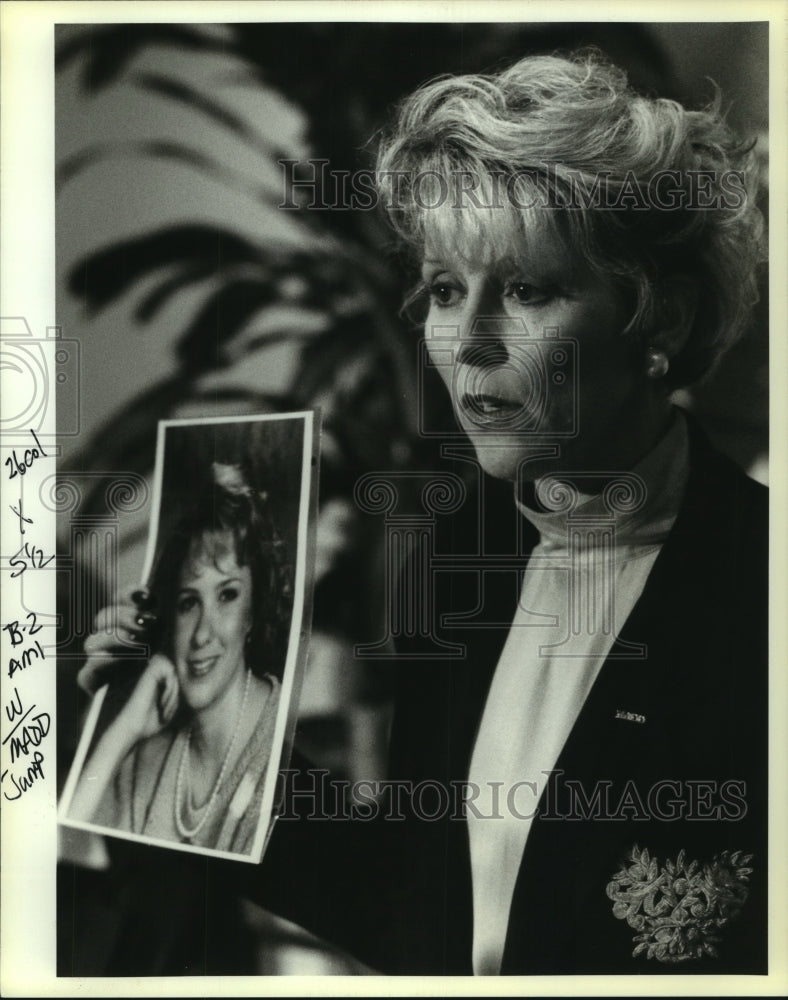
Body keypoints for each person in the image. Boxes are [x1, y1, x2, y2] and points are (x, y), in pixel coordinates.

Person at [76, 50, 768, 975]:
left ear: (663, 322)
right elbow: (425, 915)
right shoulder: (461, 545)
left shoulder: (760, 587)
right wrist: (198, 741)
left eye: (526, 290)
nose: (468, 343)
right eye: (447, 291)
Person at [68, 463, 287, 856]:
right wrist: (121, 732)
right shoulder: (145, 752)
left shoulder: (283, 745)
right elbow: (69, 864)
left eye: (227, 595)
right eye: (188, 602)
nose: (202, 633)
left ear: (254, 612)